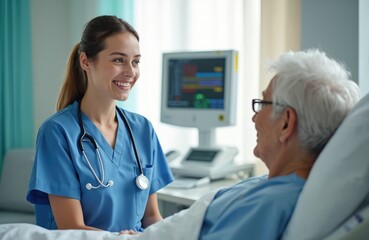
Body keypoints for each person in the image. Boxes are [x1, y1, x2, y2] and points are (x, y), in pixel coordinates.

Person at [26, 15, 174, 233]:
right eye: (118, 60)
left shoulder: (142, 129)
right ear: (86, 62)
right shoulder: (58, 132)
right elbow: (71, 228)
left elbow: (151, 216)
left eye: (135, 61)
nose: (131, 72)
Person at [198, 49, 361, 239]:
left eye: (261, 104)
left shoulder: (270, 204)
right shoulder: (280, 186)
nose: (254, 117)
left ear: (286, 123)